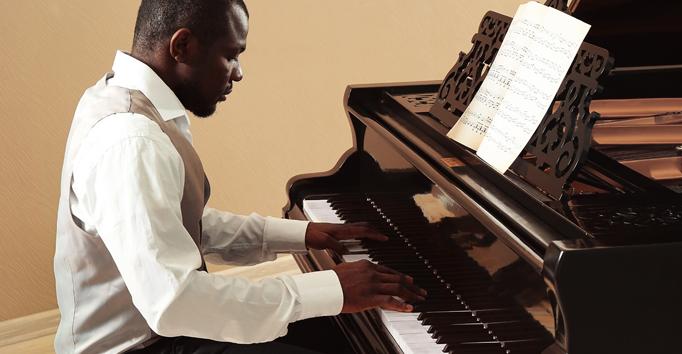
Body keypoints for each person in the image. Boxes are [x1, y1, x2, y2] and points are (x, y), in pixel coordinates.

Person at [53, 1, 426, 353]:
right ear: (181, 46)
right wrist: (332, 288)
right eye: (231, 55)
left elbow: (176, 226)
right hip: (144, 344)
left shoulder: (120, 97)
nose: (239, 72)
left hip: (163, 330)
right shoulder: (132, 139)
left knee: (341, 330)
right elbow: (174, 303)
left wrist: (302, 235)